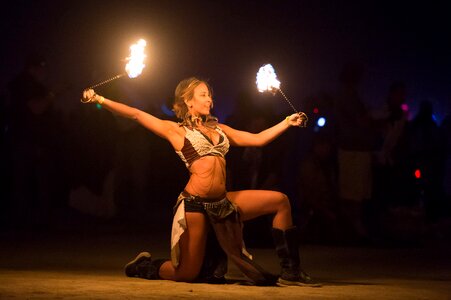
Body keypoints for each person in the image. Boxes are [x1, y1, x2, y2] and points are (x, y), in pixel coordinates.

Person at [81, 77, 317, 286]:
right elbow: (135, 114)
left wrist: (287, 122)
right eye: (203, 94)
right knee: (186, 273)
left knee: (280, 201)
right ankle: (144, 266)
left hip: (222, 202)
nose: (209, 99)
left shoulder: (221, 129)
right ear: (188, 101)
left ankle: (291, 271)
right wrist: (100, 98)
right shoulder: (176, 131)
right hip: (194, 204)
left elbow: (257, 139)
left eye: (209, 95)